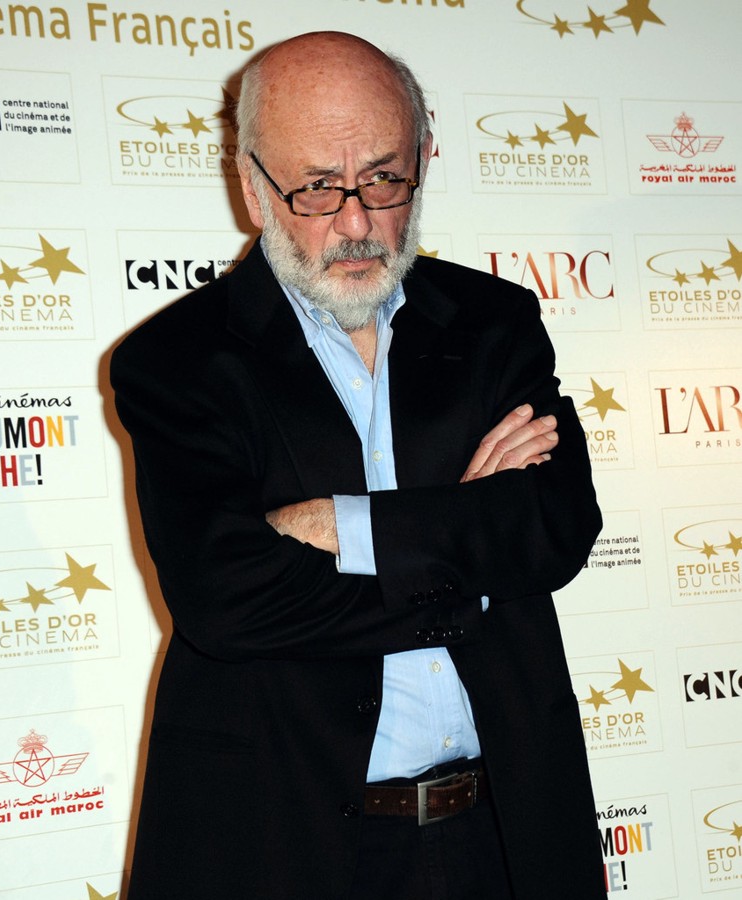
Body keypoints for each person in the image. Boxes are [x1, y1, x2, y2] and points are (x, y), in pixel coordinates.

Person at [111, 31, 605, 900]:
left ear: (425, 158)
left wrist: (342, 525)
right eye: (315, 187)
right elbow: (228, 600)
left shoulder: (493, 322)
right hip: (283, 843)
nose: (354, 222)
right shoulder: (176, 361)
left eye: (383, 179)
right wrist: (465, 549)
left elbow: (554, 525)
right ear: (253, 187)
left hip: (508, 834)